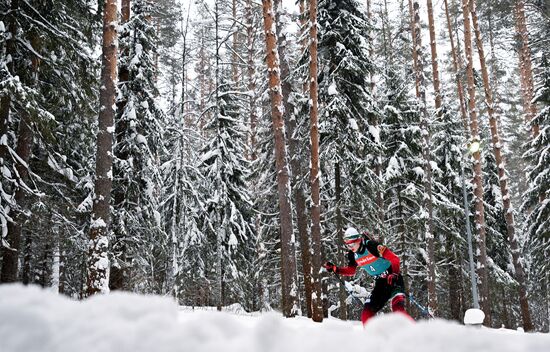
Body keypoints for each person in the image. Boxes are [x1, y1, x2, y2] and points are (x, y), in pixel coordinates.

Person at [323, 227, 412, 325]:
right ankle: (376, 338)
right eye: (348, 246)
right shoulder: (352, 255)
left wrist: (394, 273)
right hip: (380, 284)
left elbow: (395, 259)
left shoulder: (371, 246)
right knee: (366, 314)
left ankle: (417, 333)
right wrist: (336, 269)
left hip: (393, 278)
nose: (351, 248)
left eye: (352, 244)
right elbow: (351, 271)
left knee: (398, 310)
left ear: (358, 240)